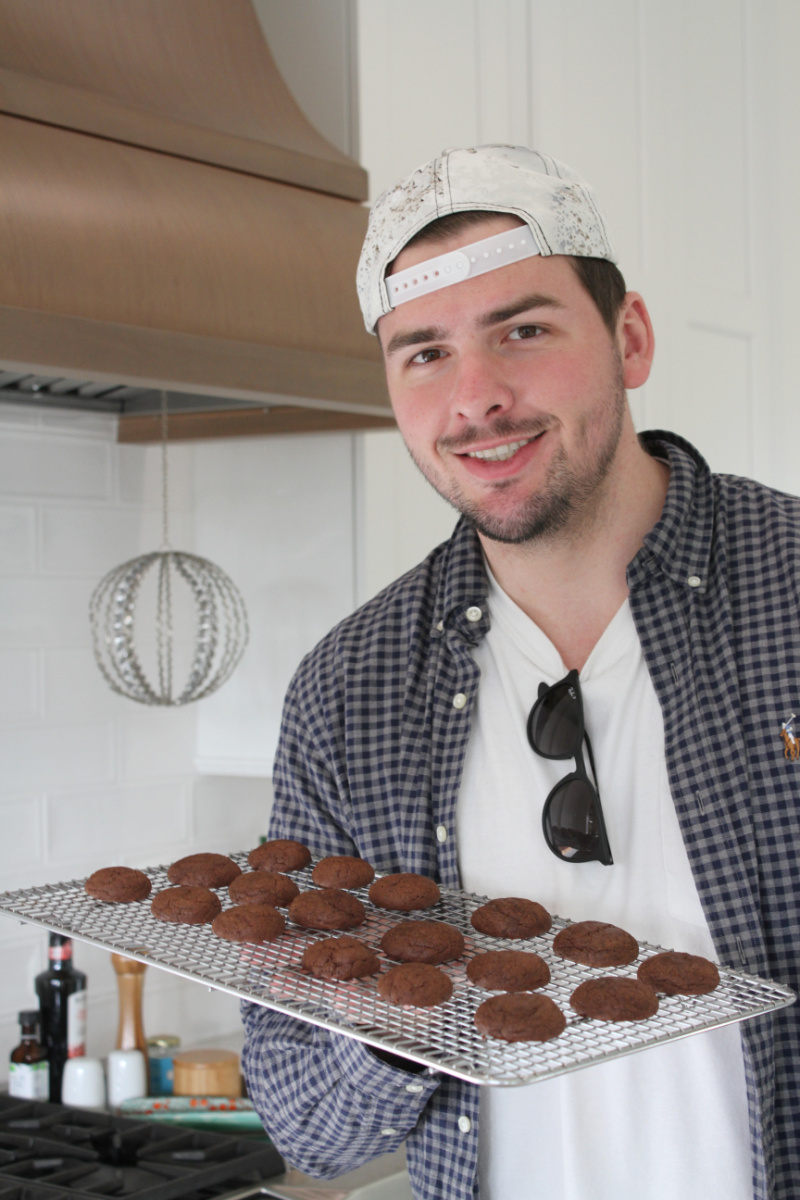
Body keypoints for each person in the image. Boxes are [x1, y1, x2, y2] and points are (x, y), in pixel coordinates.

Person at [241, 146, 799, 1200]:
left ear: (626, 338)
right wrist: (389, 1025)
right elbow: (308, 1127)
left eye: (523, 331)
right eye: (424, 354)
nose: (477, 398)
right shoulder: (349, 693)